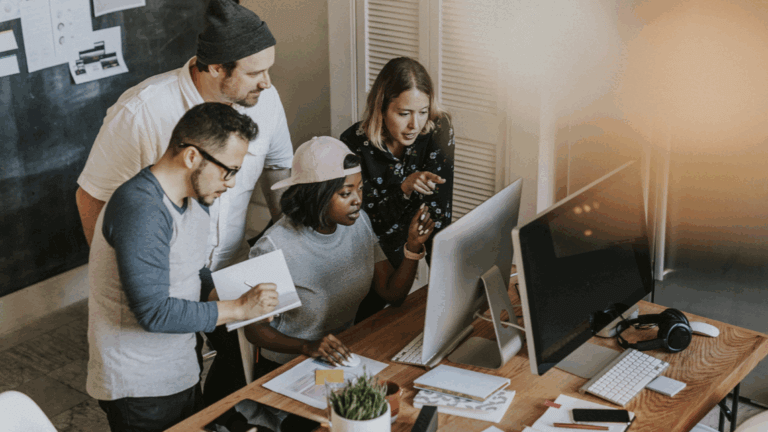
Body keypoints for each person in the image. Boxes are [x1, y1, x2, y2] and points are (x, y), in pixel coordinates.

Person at [75, 0, 293, 406]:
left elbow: (279, 169)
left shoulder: (266, 98)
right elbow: (91, 196)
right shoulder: (141, 112)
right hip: (163, 284)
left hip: (223, 270)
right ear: (216, 68)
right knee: (162, 381)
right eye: (255, 72)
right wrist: (136, 271)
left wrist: (289, 243)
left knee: (238, 368)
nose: (267, 82)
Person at [86, 103, 279, 432]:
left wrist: (224, 292)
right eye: (228, 170)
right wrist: (237, 309)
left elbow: (190, 272)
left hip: (181, 371)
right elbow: (153, 313)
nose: (231, 183)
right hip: (139, 387)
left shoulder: (195, 201)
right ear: (192, 156)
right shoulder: (141, 209)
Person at [241, 137, 433, 431]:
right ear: (315, 195)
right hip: (290, 370)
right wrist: (307, 345)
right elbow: (255, 331)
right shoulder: (274, 247)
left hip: (341, 362)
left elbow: (392, 294)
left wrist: (412, 247)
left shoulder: (359, 224)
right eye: (346, 193)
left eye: (360, 189)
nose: (358, 200)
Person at [339, 57, 454, 322]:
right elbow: (365, 224)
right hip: (372, 256)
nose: (415, 124)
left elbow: (438, 212)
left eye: (423, 111)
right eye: (404, 114)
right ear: (381, 108)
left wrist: (446, 288)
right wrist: (403, 188)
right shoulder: (353, 144)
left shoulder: (437, 128)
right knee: (368, 326)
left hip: (416, 243)